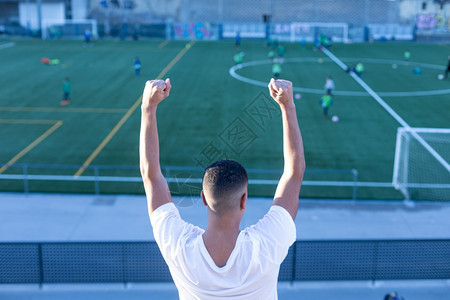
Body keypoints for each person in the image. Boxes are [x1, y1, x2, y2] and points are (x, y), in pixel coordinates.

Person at [140, 78, 305, 299]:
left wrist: (148, 107)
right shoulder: (266, 245)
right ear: (244, 200)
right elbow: (294, 173)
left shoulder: (179, 247)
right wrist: (287, 106)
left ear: (204, 198)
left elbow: (150, 175)